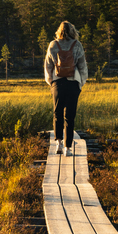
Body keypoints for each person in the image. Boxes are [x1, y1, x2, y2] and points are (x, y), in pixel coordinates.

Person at [44, 21, 88, 155]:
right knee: (70, 115)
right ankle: (68, 148)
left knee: (57, 113)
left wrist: (51, 82)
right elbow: (82, 67)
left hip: (58, 83)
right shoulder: (77, 45)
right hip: (73, 83)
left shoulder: (53, 45)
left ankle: (58, 143)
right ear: (73, 31)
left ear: (59, 31)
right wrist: (80, 83)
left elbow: (48, 66)